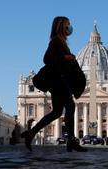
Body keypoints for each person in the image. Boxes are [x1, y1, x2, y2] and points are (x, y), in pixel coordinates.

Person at [21, 16, 87, 152]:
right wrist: (65, 57)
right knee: (70, 105)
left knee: (57, 112)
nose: (70, 27)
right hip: (57, 80)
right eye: (68, 25)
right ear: (61, 26)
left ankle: (31, 133)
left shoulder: (62, 42)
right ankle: (71, 141)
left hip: (59, 80)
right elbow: (46, 59)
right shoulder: (56, 41)